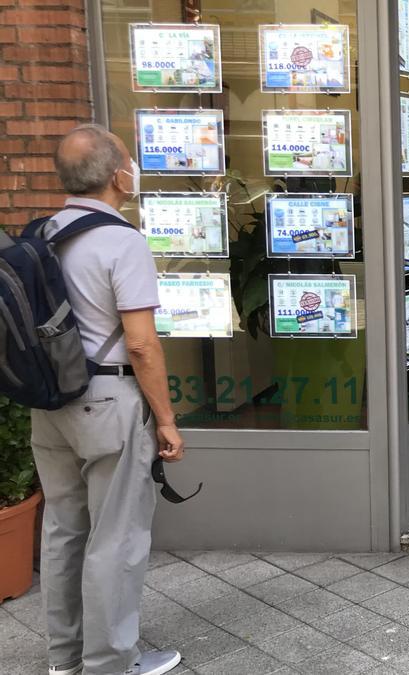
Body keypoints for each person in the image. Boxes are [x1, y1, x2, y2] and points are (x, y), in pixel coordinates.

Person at [32, 124, 184, 675]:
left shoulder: (40, 233)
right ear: (119, 175)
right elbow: (141, 344)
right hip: (107, 401)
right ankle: (112, 663)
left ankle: (65, 658)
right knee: (116, 538)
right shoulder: (122, 241)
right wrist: (165, 420)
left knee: (64, 531)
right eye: (130, 161)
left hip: (50, 403)